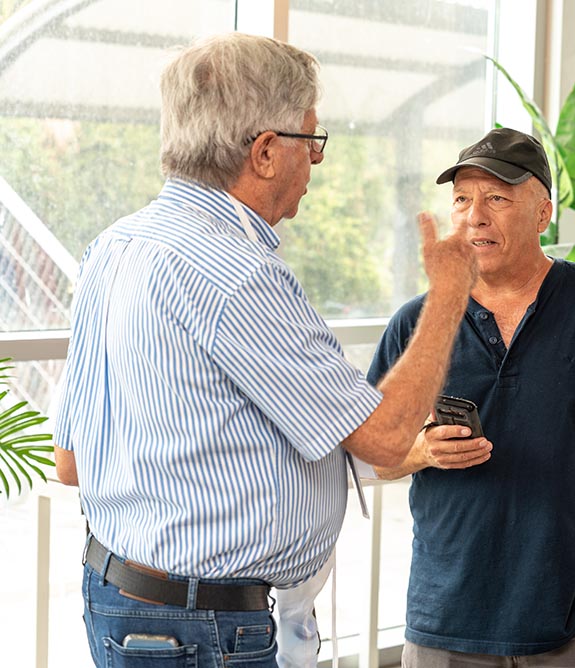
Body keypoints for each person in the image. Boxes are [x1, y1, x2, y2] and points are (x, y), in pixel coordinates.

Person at [52, 32, 476, 667]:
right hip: (201, 627)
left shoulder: (115, 246)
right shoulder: (237, 273)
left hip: (120, 597)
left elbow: (71, 462)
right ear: (267, 152)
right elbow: (388, 438)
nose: (317, 160)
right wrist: (448, 293)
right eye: (313, 139)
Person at [367, 127, 575, 667]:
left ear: (543, 214)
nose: (474, 216)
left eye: (496, 198)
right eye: (461, 199)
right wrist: (423, 451)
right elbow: (377, 455)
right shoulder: (415, 321)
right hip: (446, 619)